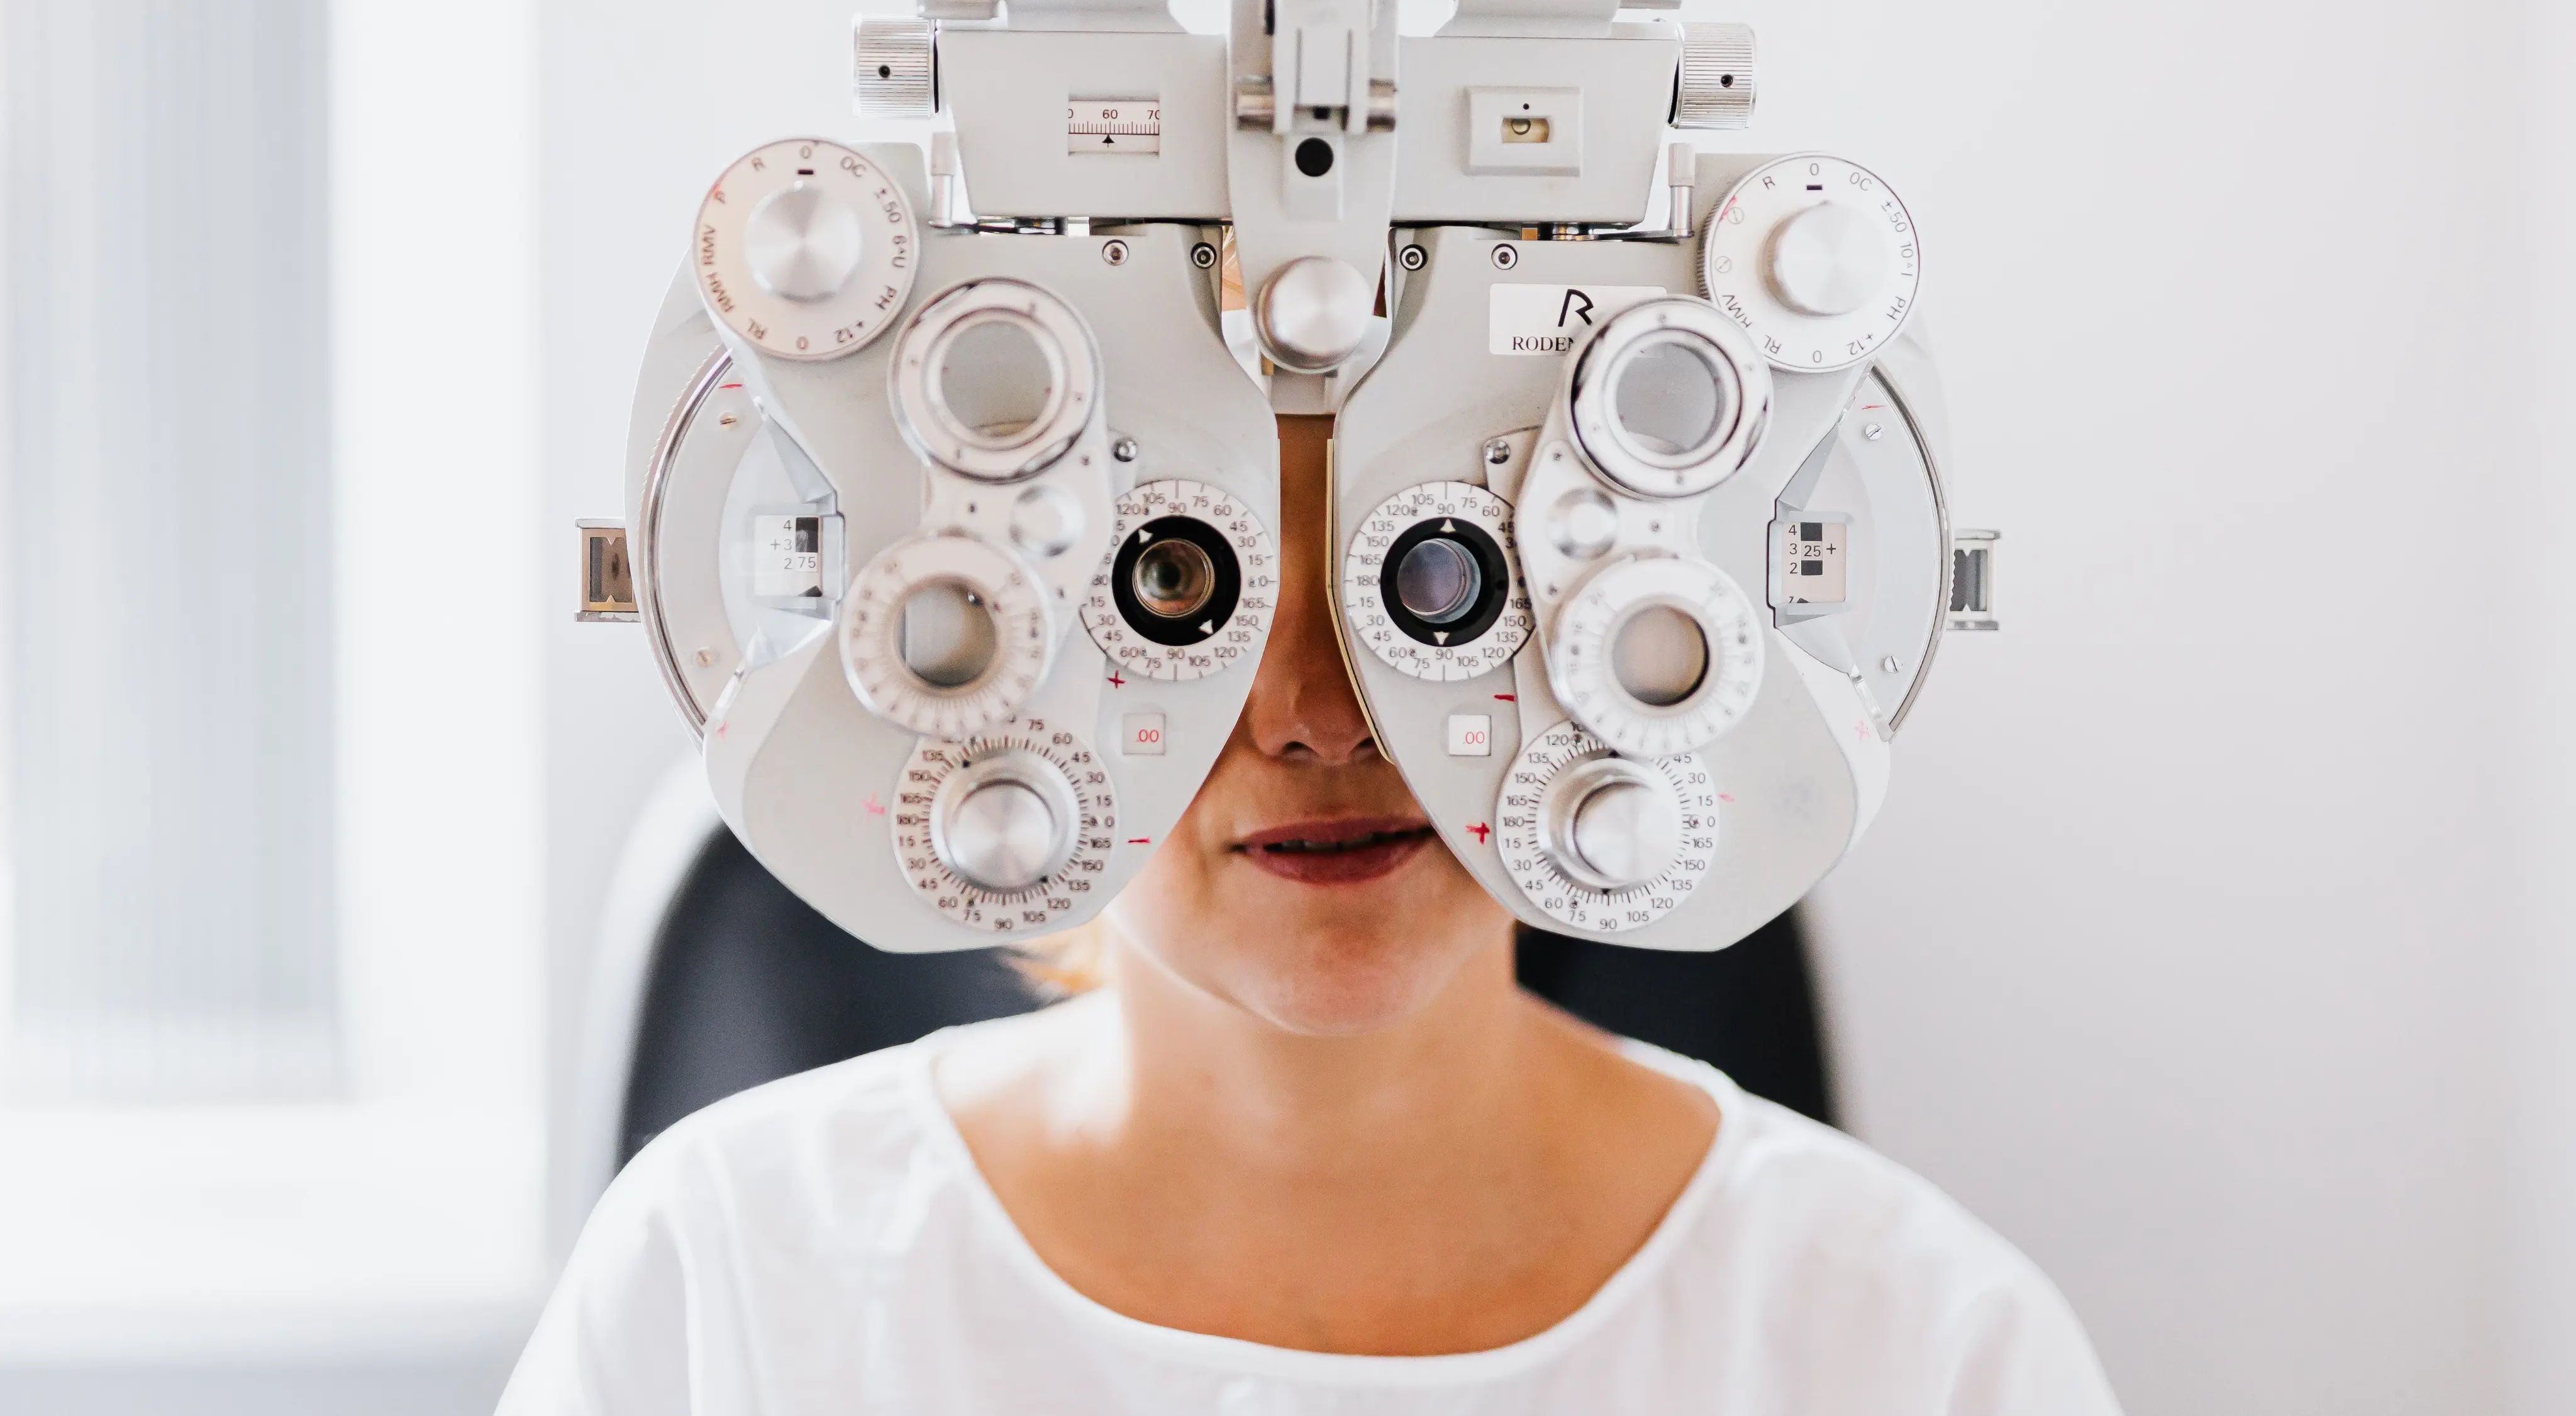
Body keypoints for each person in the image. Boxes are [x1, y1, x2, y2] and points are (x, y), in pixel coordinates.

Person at [500, 416, 2123, 1413]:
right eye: (1185, 592)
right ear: (1003, 645)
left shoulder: (1916, 1342)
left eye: (1431, 585)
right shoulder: (726, 1278)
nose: (1319, 716)